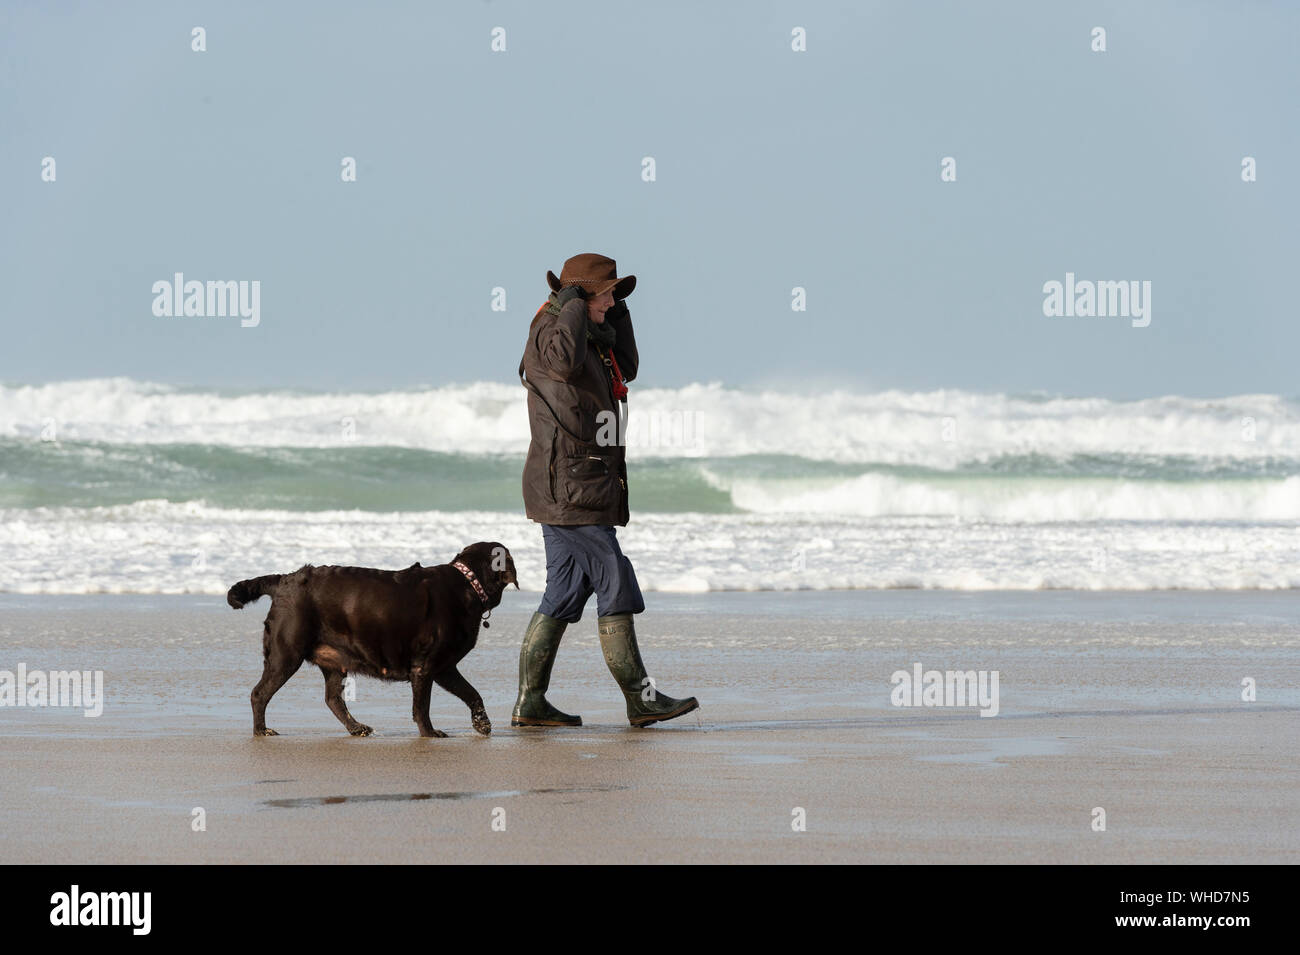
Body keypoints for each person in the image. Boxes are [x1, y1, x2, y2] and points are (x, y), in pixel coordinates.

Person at [514, 252, 699, 727]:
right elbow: (560, 362)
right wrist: (576, 301)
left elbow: (629, 367)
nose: (613, 298)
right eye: (608, 292)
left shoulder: (591, 338)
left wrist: (615, 312)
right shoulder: (553, 336)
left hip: (578, 483)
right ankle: (641, 697)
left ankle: (530, 703)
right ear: (578, 295)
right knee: (613, 575)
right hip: (569, 487)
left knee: (565, 592)